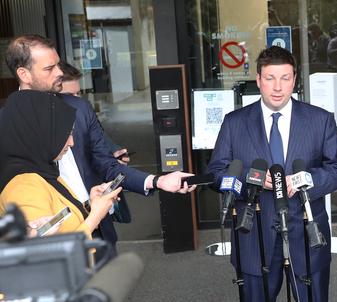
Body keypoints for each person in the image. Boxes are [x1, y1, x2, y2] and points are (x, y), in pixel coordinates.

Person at [0, 89, 183, 302]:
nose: (70, 141)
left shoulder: (38, 174)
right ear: (39, 132)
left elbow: (55, 226)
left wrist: (87, 205)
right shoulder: (24, 187)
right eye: (64, 132)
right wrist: (94, 217)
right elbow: (44, 258)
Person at [208, 46, 337, 302]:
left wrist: (304, 181)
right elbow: (218, 173)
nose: (277, 86)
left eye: (285, 78)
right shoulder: (235, 122)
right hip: (253, 231)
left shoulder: (319, 120)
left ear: (294, 80)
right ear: (257, 80)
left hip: (306, 231)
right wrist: (254, 183)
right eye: (269, 78)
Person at [5, 35, 195, 260]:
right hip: (51, 249)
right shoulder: (8, 127)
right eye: (49, 68)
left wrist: (157, 181)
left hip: (96, 227)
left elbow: (105, 163)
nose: (59, 73)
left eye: (58, 64)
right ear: (24, 74)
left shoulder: (79, 109)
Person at [59, 61, 132, 224]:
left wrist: (113, 155)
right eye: (70, 96)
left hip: (101, 212)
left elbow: (102, 141)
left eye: (78, 94)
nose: (77, 101)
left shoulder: (84, 112)